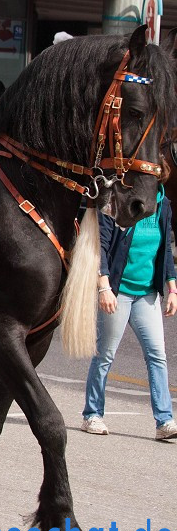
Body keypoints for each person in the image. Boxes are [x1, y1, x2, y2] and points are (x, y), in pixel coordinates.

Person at [83, 185, 177, 440]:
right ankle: (92, 414)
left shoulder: (163, 203)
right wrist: (104, 287)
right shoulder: (117, 200)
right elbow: (100, 245)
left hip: (147, 294)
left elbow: (166, 248)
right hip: (118, 291)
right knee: (105, 355)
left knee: (157, 355)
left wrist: (172, 287)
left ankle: (164, 422)